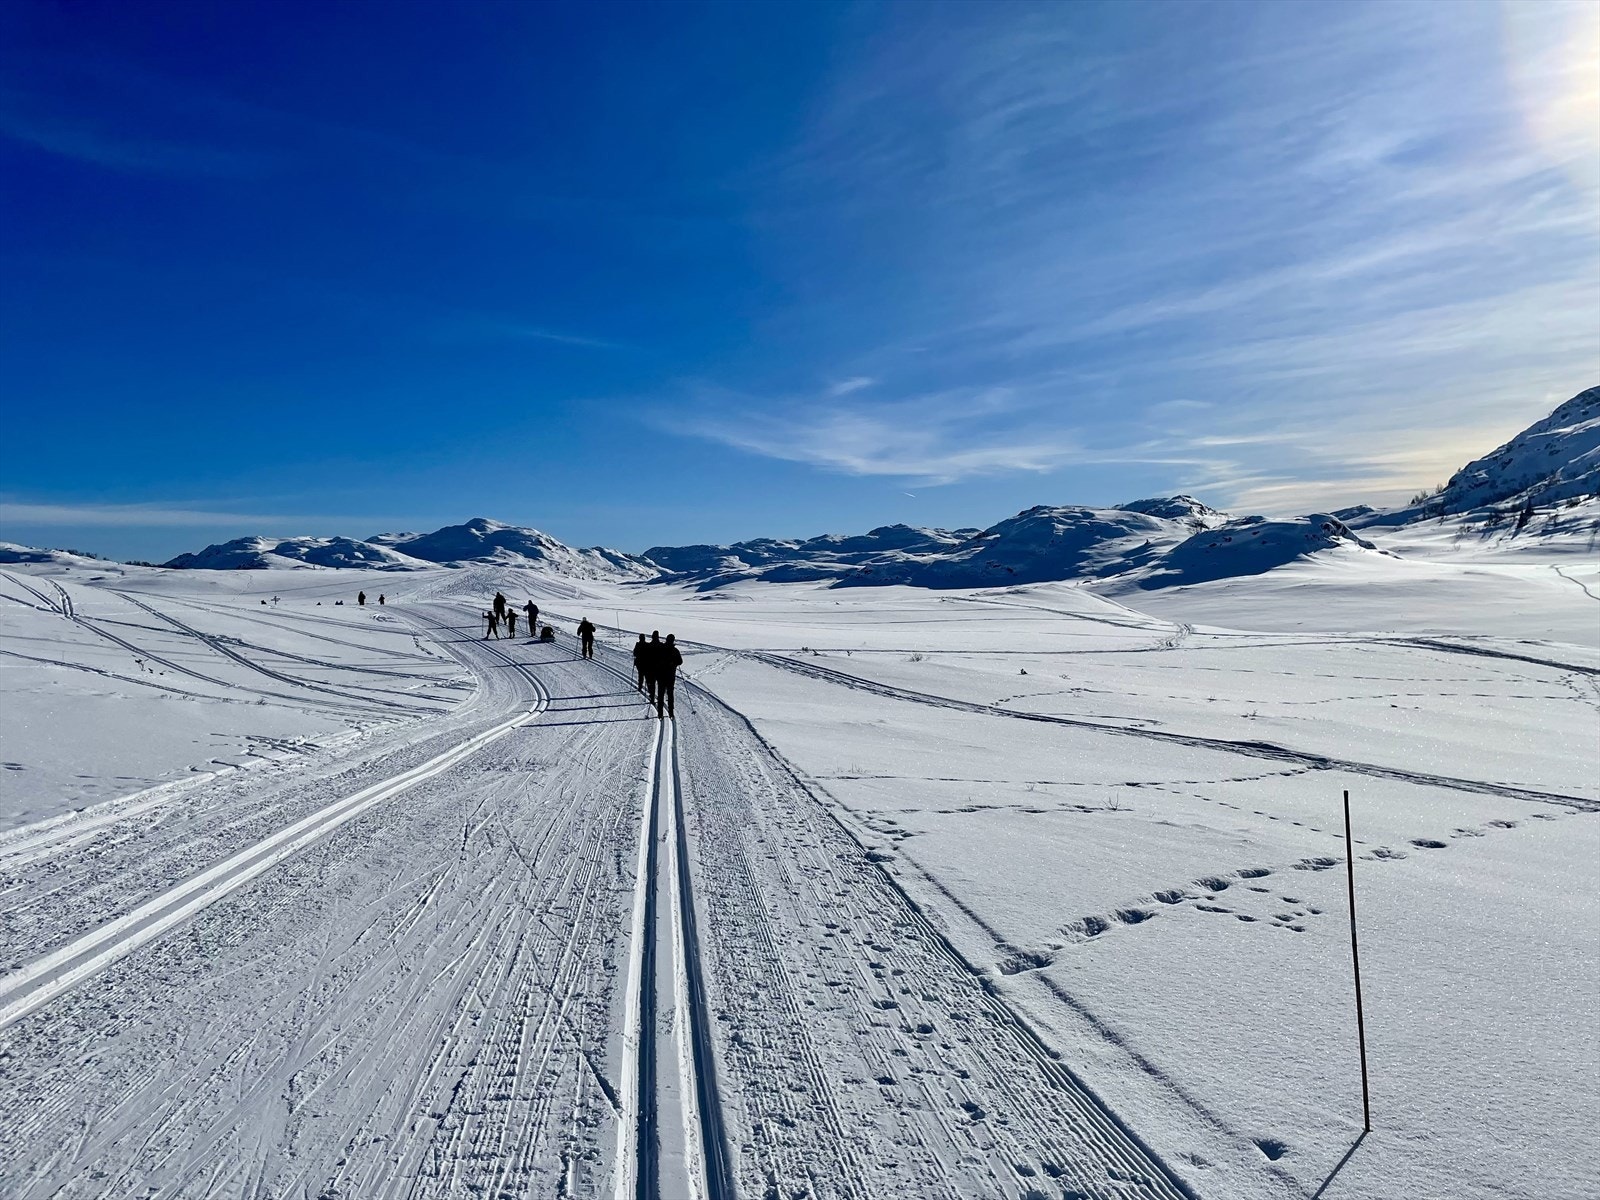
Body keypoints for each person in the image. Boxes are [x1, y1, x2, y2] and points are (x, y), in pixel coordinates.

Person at [656, 634, 683, 719]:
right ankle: (671, 713)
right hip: (670, 676)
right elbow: (680, 661)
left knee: (660, 694)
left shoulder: (661, 649)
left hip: (661, 675)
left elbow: (655, 660)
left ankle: (660, 714)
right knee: (670, 695)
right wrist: (673, 662)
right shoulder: (675, 650)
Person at [643, 631, 664, 707]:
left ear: (652, 637)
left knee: (651, 684)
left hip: (650, 668)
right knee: (660, 685)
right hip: (660, 669)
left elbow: (645, 658)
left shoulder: (648, 646)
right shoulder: (662, 645)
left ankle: (652, 698)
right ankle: (660, 700)